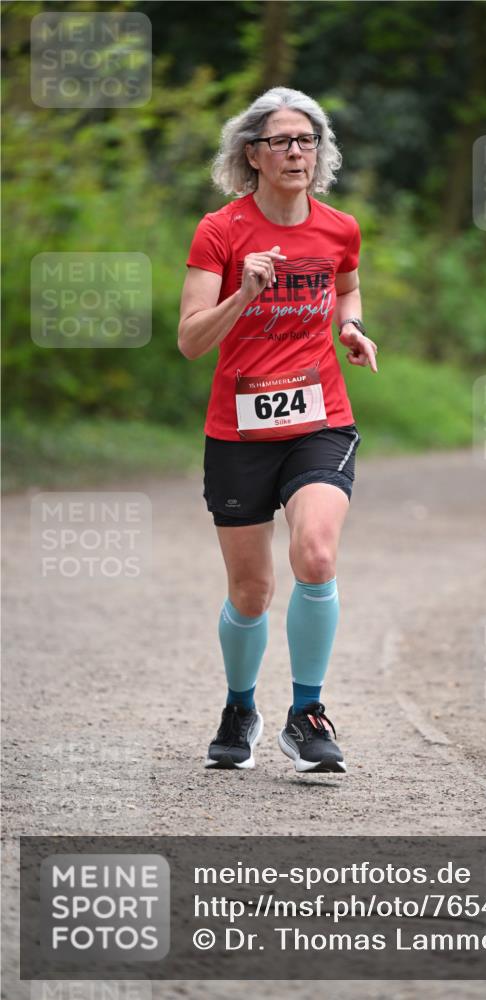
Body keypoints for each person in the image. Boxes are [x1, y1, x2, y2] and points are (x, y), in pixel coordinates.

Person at [178, 86, 378, 775]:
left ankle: (307, 712)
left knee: (316, 556)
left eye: (307, 140)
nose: (296, 151)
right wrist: (244, 294)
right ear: (251, 155)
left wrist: (349, 327)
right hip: (237, 429)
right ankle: (240, 707)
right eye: (281, 141)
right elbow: (190, 342)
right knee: (250, 592)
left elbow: (345, 287)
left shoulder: (338, 227)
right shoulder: (220, 232)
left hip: (319, 419)